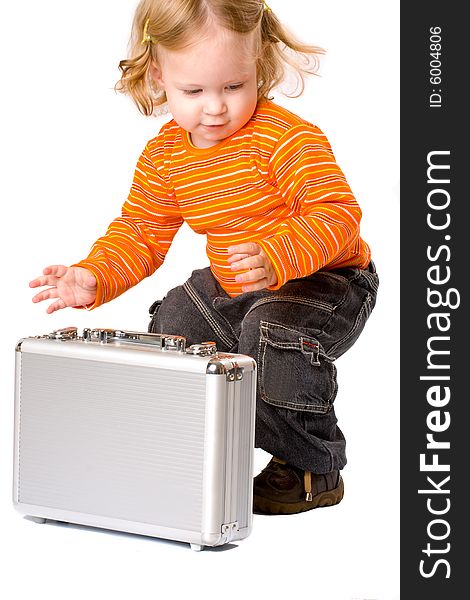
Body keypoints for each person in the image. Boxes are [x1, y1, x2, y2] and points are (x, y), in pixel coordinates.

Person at [29, 0, 379, 515]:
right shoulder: (166, 156)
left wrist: (277, 251)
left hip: (329, 279)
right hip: (236, 280)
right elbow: (141, 232)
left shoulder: (287, 139)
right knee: (174, 320)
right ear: (158, 76)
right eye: (193, 91)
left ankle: (311, 466)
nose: (215, 107)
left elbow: (337, 213)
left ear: (257, 66)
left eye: (234, 87)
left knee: (270, 331)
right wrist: (94, 275)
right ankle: (202, 444)